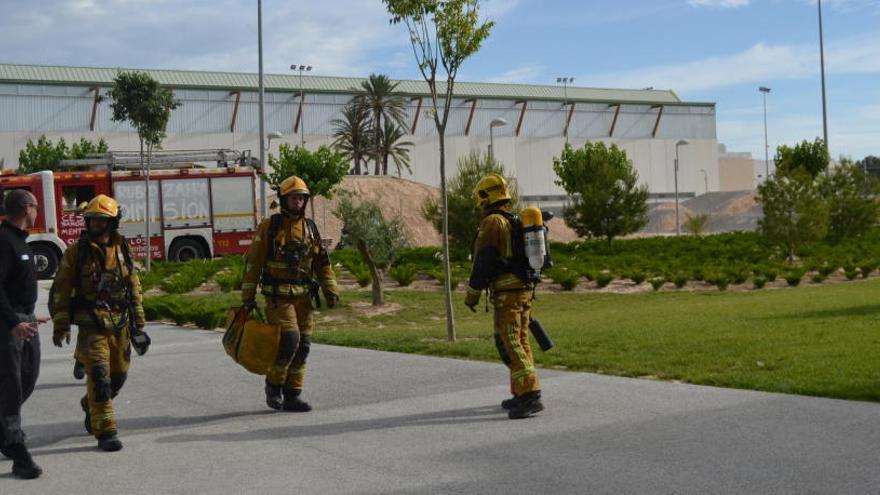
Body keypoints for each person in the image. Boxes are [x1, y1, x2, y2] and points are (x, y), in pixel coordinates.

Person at [50, 194, 149, 452]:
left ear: (112, 222)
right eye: (91, 221)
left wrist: (139, 320)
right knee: (100, 378)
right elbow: (61, 290)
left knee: (118, 378)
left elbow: (133, 286)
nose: (95, 225)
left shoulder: (122, 249)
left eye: (100, 221)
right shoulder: (76, 253)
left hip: (120, 326)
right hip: (91, 327)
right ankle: (105, 432)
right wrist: (60, 326)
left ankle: (90, 404)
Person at [241, 176, 338, 412]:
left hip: (303, 299)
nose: (297, 202)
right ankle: (273, 386)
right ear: (284, 199)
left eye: (301, 198)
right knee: (289, 341)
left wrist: (330, 288)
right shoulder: (270, 227)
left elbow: (322, 263)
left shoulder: (310, 228)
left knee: (303, 345)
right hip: (278, 299)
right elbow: (253, 263)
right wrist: (248, 297)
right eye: (293, 198)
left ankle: (293, 395)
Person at [464, 174, 544, 420]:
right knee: (520, 340)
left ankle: (530, 395)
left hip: (507, 294)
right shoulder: (513, 220)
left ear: (485, 198)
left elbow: (484, 261)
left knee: (509, 342)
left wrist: (473, 294)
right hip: (522, 291)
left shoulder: (492, 223)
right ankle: (521, 392)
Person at [0, 189, 47, 479]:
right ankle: (18, 452)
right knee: (11, 386)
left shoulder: (20, 241)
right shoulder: (4, 241)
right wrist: (12, 321)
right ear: (26, 208)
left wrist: (29, 315)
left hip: (26, 318)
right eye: (36, 207)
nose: (37, 211)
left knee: (28, 378)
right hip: (10, 325)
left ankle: (4, 432)